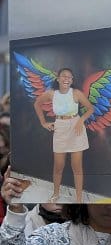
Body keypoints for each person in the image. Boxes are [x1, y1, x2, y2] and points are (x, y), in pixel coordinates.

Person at [32, 68, 95, 203]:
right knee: (58, 166)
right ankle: (56, 194)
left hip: (76, 127)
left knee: (76, 167)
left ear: (72, 81)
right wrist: (43, 123)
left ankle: (79, 198)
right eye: (64, 76)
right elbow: (37, 104)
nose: (67, 79)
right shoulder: (51, 94)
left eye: (70, 77)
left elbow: (91, 108)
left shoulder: (76, 93)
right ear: (58, 79)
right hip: (60, 126)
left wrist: (81, 120)